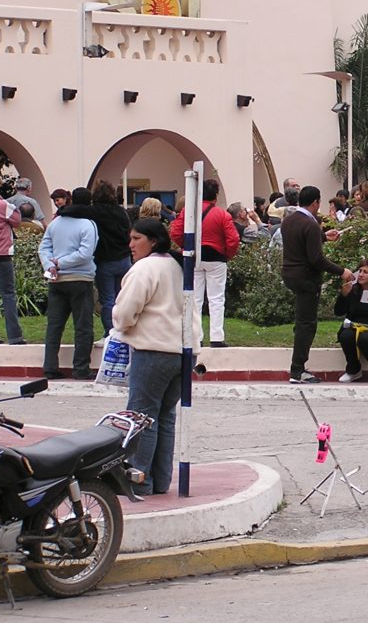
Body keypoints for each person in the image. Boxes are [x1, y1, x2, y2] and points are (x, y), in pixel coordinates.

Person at [113, 219, 200, 496]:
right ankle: (159, 482)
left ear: (153, 241)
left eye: (136, 238)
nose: (131, 245)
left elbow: (125, 311)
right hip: (182, 352)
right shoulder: (176, 266)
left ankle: (141, 481)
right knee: (164, 417)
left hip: (153, 351)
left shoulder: (145, 268)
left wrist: (120, 326)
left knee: (142, 417)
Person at [281, 185, 353, 383]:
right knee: (307, 324)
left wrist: (323, 237)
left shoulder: (289, 221)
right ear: (315, 202)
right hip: (306, 278)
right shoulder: (311, 224)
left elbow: (300, 242)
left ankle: (298, 365)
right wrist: (342, 271)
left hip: (290, 274)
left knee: (301, 322)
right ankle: (297, 370)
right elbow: (316, 259)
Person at [169, 179, 240, 348]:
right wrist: (227, 254)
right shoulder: (222, 214)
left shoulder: (188, 211)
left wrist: (186, 247)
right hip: (216, 257)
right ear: (215, 195)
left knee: (195, 299)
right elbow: (233, 239)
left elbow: (175, 232)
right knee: (216, 299)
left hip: (194, 256)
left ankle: (196, 336)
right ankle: (216, 337)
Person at [61, 179, 132, 342]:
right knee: (122, 298)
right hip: (124, 259)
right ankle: (124, 330)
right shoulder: (122, 212)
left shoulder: (95, 211)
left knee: (107, 300)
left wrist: (63, 210)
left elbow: (75, 210)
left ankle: (110, 333)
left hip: (106, 261)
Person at [39, 187, 98, 380]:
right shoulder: (88, 225)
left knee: (54, 326)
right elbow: (85, 253)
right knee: (83, 326)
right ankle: (81, 368)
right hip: (81, 279)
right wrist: (61, 262)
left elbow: (44, 247)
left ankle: (49, 367)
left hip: (57, 280)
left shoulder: (55, 224)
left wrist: (51, 264)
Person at [0, 174, 24, 345]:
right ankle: (15, 335)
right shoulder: (2, 205)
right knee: (8, 295)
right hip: (2, 254)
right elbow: (17, 221)